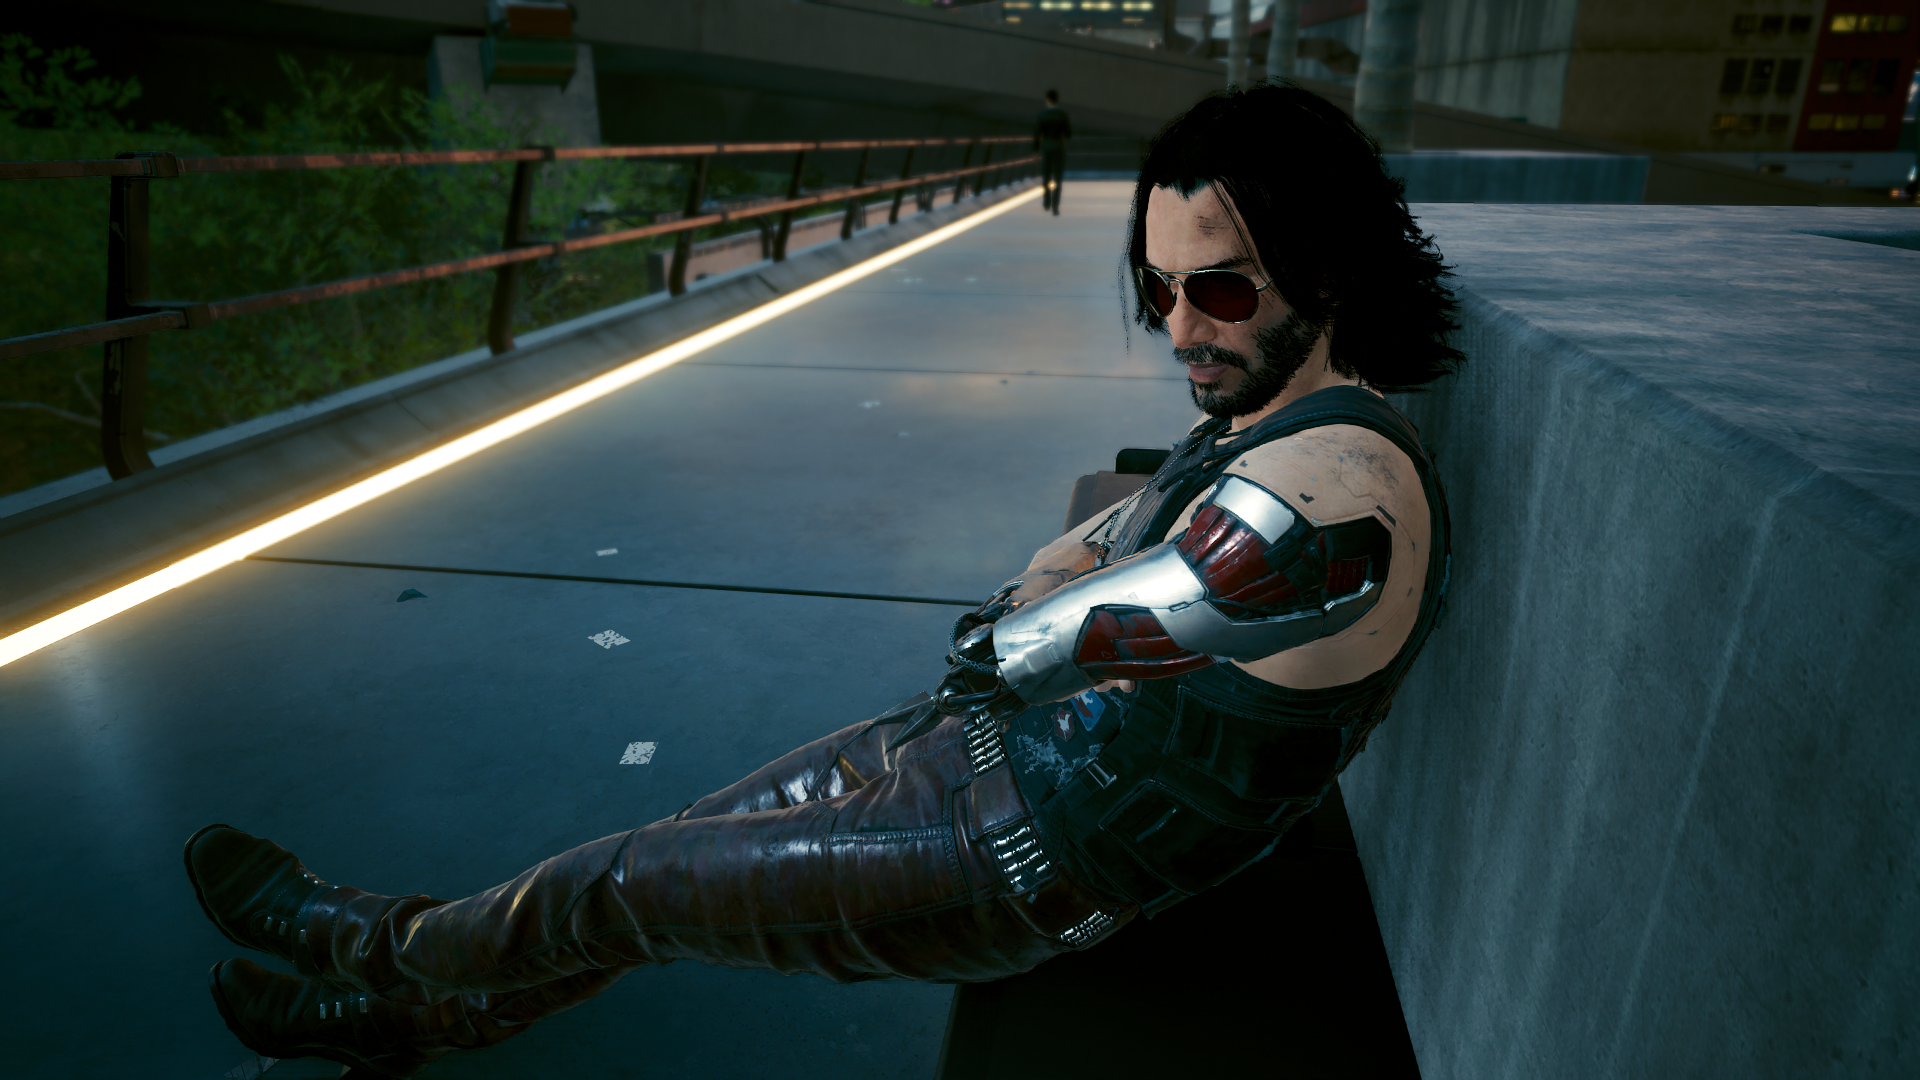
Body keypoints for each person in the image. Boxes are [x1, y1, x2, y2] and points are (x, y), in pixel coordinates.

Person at [183, 84, 1464, 1077]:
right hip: (980, 761)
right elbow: (1101, 545)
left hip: (1019, 857)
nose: (1179, 327)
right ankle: (407, 1022)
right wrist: (1044, 599)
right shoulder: (1277, 415)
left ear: (1326, 270)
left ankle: (363, 945)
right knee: (654, 866)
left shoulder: (1336, 491)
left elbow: (1076, 623)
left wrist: (1030, 621)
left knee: (627, 889)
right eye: (1159, 285)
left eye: (1220, 288)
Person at [1034, 89, 1072, 214]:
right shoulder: (1063, 115)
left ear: (1048, 100)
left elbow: (1037, 134)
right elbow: (1069, 134)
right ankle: (1055, 206)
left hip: (1046, 148)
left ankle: (1046, 202)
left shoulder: (1042, 115)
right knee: (1058, 178)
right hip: (1059, 148)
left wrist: (1035, 151)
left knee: (1046, 176)